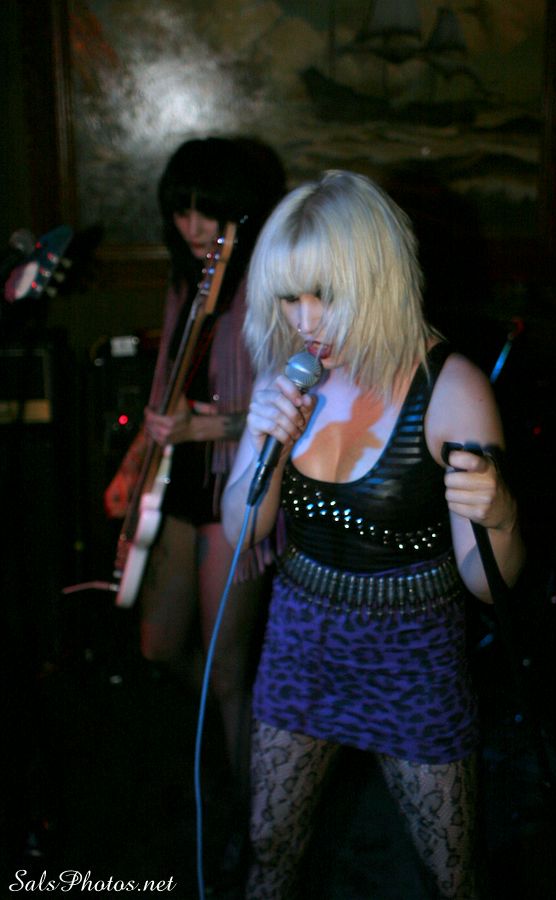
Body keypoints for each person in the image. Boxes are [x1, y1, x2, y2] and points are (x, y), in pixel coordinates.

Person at [221, 169, 526, 898]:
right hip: (300, 638)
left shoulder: (452, 388)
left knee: (451, 872)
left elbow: (490, 583)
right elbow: (241, 533)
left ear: (377, 276)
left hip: (414, 654)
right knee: (269, 848)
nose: (305, 321)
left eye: (324, 295)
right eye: (289, 297)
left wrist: (502, 517)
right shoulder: (290, 376)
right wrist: (264, 446)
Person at [103, 137, 286, 845]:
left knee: (227, 669)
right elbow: (164, 391)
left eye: (205, 211)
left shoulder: (271, 286)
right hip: (176, 481)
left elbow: (295, 409)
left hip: (237, 484)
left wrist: (205, 427)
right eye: (179, 211)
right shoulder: (186, 278)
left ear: (238, 210)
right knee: (157, 645)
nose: (192, 226)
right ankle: (244, 765)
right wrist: (133, 463)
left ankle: (256, 821)